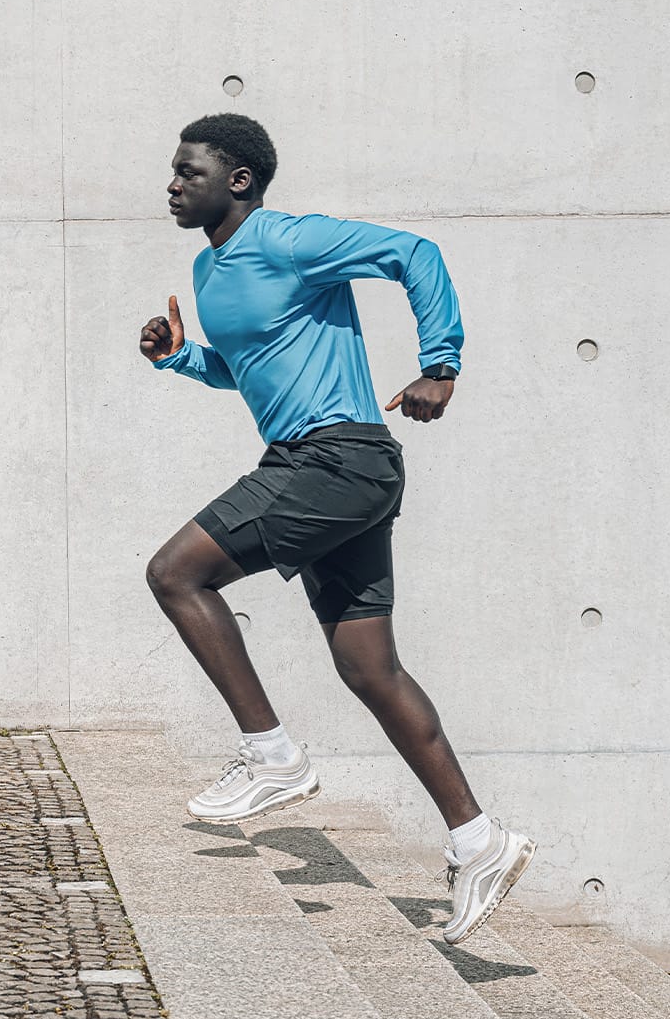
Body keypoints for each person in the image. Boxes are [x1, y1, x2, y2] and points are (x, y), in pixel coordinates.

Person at [139, 112, 535, 945]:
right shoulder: (210, 269)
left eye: (188, 171)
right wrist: (181, 356)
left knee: (176, 574)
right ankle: (479, 838)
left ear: (238, 178)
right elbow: (247, 368)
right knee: (369, 667)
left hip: (335, 460)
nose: (172, 184)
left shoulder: (288, 240)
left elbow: (414, 255)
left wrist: (440, 365)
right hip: (328, 463)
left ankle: (272, 756)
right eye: (172, 173)